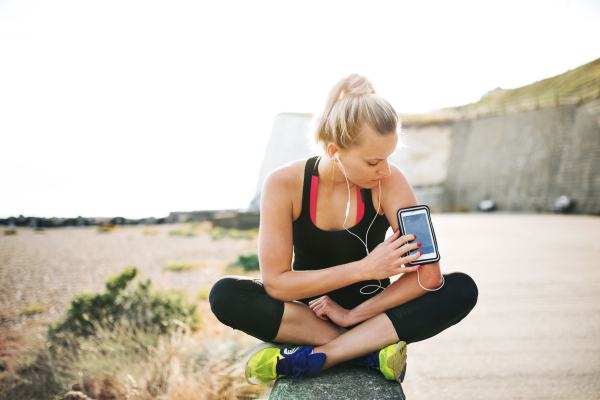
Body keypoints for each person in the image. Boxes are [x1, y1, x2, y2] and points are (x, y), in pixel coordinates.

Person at [209, 73, 478, 386]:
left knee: (461, 288)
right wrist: (364, 269)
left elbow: (428, 275)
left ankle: (329, 354)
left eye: (389, 158)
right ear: (336, 152)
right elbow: (277, 285)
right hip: (307, 317)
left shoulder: (392, 182)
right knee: (225, 294)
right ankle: (367, 350)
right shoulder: (284, 184)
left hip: (375, 313)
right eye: (373, 161)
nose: (386, 170)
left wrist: (354, 315)